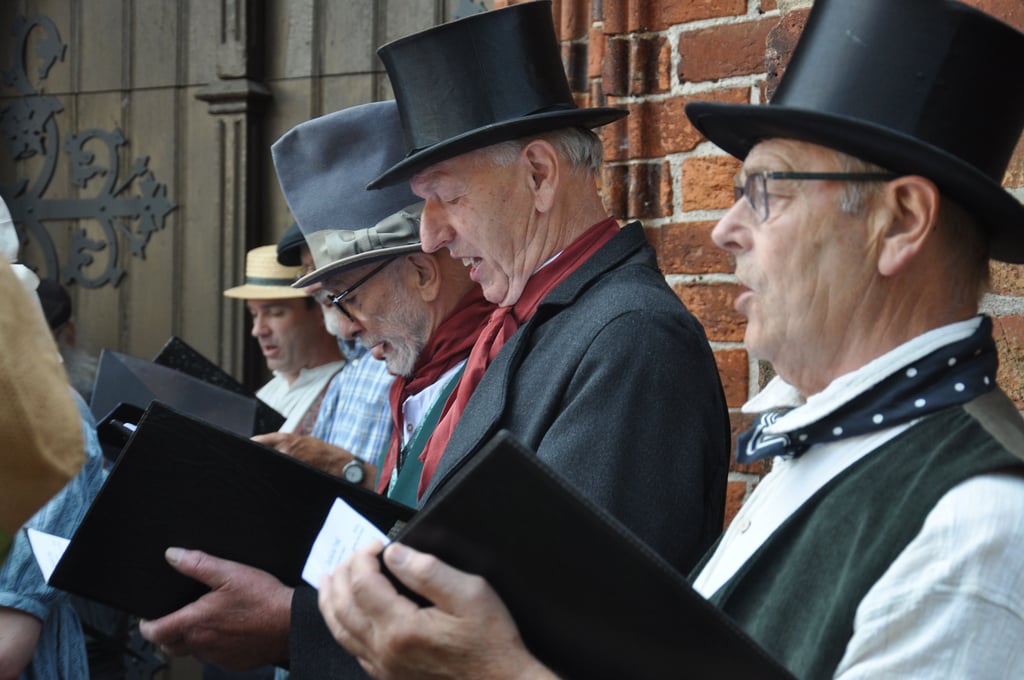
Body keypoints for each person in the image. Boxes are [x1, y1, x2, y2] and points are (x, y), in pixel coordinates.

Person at [318, 0, 1024, 677]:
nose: (726, 229)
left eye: (767, 193)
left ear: (899, 223)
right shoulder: (827, 449)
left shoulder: (976, 528)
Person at [139, 101, 493, 678]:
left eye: (346, 298)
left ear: (425, 275)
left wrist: (289, 623)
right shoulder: (420, 370)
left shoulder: (495, 365)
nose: (347, 327)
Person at [223, 246, 345, 434]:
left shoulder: (347, 391)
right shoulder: (264, 395)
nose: (258, 330)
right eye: (254, 314)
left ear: (322, 309)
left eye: (275, 313)